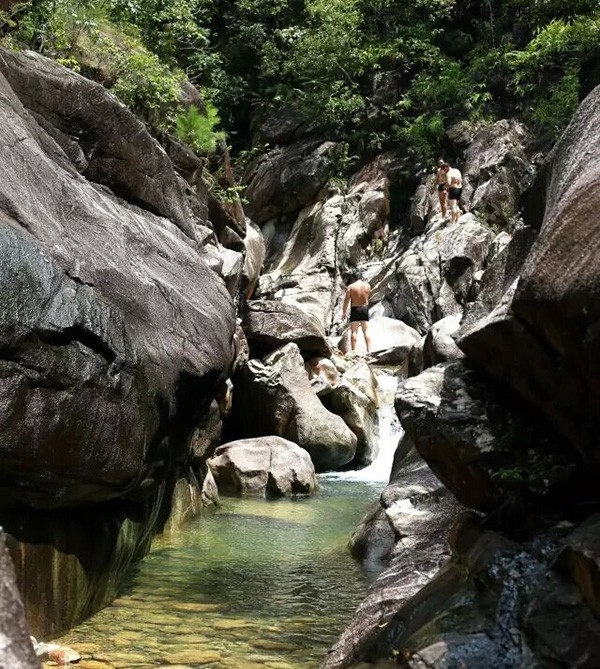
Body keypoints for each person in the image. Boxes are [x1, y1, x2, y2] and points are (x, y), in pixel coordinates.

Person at [342, 270, 372, 353]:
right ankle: (369, 350)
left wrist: (344, 311)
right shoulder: (367, 286)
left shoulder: (351, 287)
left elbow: (346, 299)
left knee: (354, 331)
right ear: (361, 277)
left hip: (355, 309)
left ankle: (354, 351)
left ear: (353, 278)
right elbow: (368, 296)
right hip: (364, 308)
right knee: (366, 330)